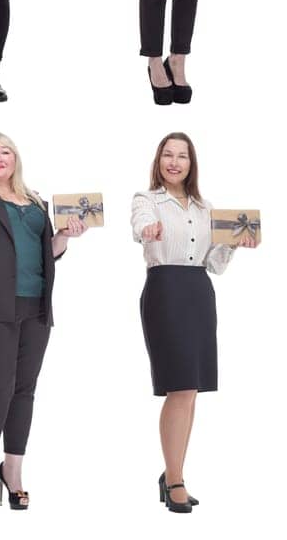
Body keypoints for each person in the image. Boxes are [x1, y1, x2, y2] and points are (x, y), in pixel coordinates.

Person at [0, 132, 86, 512]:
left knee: (25, 389)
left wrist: (64, 236)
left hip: (36, 304)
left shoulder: (36, 200)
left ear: (16, 159)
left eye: (5, 151)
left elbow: (49, 252)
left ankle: (13, 470)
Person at [129, 132, 255, 512]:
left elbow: (213, 264)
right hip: (165, 291)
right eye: (167, 155)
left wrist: (234, 242)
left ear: (191, 163)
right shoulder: (146, 200)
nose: (174, 162)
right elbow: (140, 228)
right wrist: (147, 231)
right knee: (179, 387)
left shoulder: (205, 207)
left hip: (199, 292)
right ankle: (175, 478)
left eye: (181, 156)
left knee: (191, 389)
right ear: (158, 160)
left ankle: (173, 474)